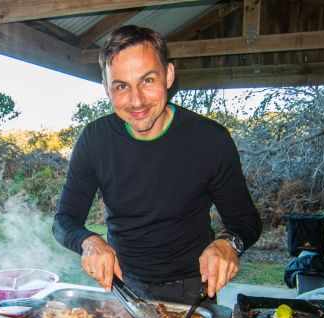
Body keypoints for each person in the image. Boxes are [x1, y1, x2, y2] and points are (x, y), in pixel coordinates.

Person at [52, 25, 262, 303]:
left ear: (169, 76)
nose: (136, 100)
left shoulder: (210, 139)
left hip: (192, 289)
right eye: (121, 86)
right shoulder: (95, 140)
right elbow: (64, 220)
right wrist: (89, 243)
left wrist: (227, 245)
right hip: (121, 286)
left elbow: (246, 222)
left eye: (147, 80)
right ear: (107, 89)